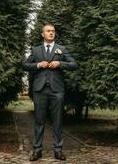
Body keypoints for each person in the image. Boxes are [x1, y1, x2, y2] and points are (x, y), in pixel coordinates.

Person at [22, 23, 78, 161]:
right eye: (48, 31)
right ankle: (37, 150)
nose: (51, 33)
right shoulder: (36, 50)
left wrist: (60, 64)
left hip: (57, 90)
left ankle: (58, 150)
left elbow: (74, 64)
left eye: (53, 31)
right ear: (43, 34)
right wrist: (38, 65)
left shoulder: (61, 49)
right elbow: (25, 65)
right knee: (39, 121)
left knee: (57, 121)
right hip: (40, 90)